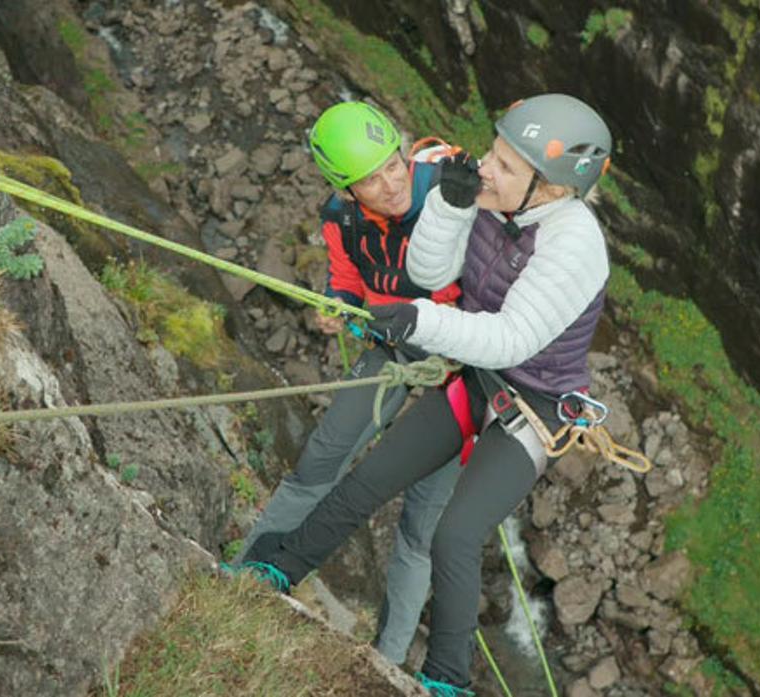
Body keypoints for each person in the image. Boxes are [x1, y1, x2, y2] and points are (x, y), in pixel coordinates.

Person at [242, 94, 613, 696]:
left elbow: (511, 339)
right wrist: (451, 201)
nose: (486, 167)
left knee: (455, 535)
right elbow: (433, 273)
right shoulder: (497, 204)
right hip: (474, 380)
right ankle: (278, 568)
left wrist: (415, 322)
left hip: (530, 410)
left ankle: (445, 682)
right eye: (493, 152)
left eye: (504, 165)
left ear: (550, 190)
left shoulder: (574, 245)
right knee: (369, 480)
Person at [233, 101, 463, 665]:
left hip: (461, 365)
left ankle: (385, 661)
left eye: (393, 166)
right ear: (346, 188)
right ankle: (246, 576)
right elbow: (347, 278)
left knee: (420, 526)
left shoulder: (449, 193)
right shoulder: (342, 218)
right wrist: (337, 305)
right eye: (371, 179)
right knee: (320, 460)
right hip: (393, 346)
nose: (391, 186)